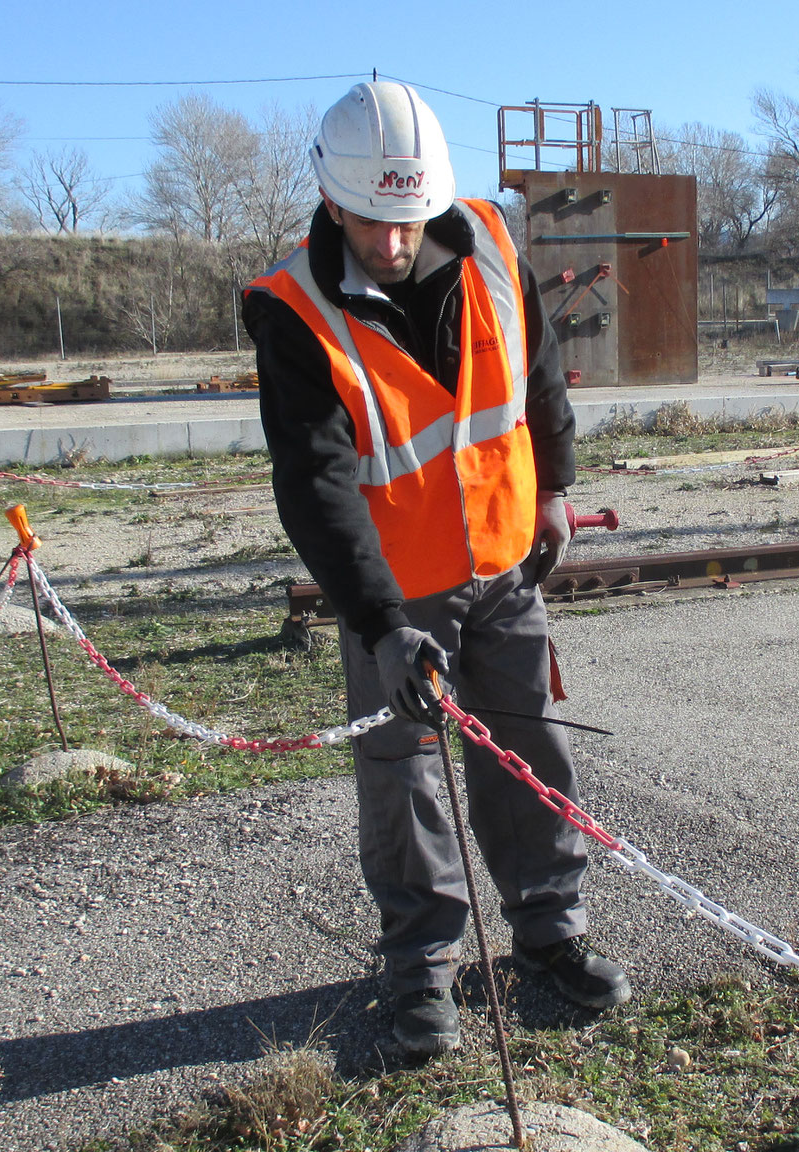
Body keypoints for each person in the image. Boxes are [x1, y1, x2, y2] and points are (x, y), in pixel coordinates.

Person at [241, 80, 629, 1058]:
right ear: (333, 201)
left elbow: (537, 375)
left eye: (409, 216)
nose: (395, 240)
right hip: (396, 594)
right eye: (373, 220)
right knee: (402, 775)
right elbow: (316, 484)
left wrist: (553, 489)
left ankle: (547, 933)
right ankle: (418, 971)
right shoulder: (294, 311)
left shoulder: (492, 247)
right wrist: (377, 621)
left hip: (504, 562)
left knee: (527, 748)